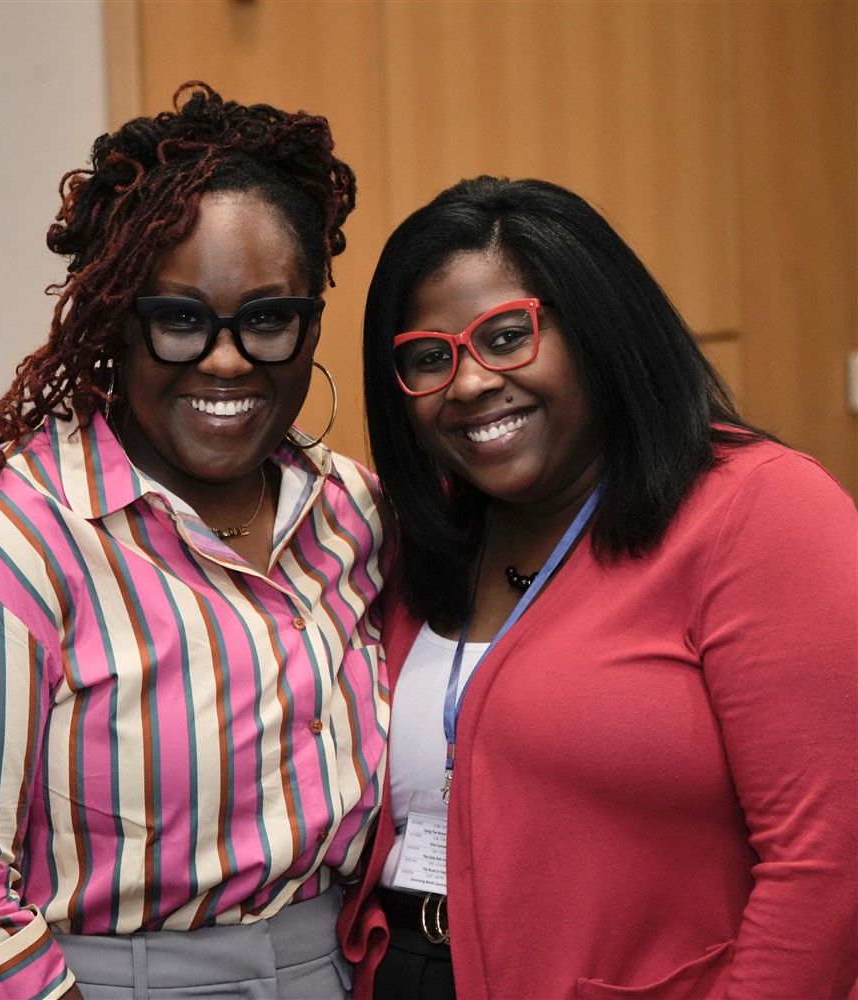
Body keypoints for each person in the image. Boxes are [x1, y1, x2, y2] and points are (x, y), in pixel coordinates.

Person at [0, 82, 389, 1000]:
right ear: (119, 323)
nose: (227, 359)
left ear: (310, 325)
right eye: (180, 319)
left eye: (268, 319)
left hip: (336, 968)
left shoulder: (354, 512)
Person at [339, 176, 857, 999]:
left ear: (599, 330)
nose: (468, 383)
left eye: (507, 337)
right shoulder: (413, 537)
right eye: (429, 358)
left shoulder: (759, 510)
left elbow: (829, 865)